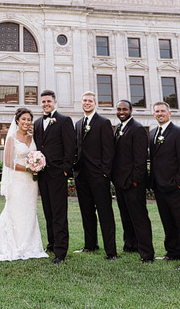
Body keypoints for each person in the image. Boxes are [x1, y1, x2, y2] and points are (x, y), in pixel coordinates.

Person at [0, 108, 48, 261]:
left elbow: (36, 154)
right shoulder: (12, 138)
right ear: (17, 120)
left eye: (28, 120)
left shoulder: (33, 137)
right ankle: (15, 244)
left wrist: (38, 164)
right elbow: (7, 162)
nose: (26, 122)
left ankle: (30, 245)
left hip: (31, 183)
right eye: (24, 119)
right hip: (18, 180)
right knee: (16, 212)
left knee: (29, 211)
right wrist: (29, 168)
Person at [149, 101, 180, 270]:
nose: (159, 113)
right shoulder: (153, 132)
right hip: (159, 186)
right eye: (157, 111)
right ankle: (173, 251)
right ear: (153, 114)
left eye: (162, 111)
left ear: (169, 113)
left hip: (176, 187)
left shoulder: (179, 133)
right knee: (167, 222)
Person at [33, 89, 76, 263]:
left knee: (59, 212)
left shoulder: (64, 120)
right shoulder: (37, 123)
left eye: (48, 101)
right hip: (43, 174)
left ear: (55, 102)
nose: (46, 104)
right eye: (43, 102)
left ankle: (60, 251)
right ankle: (51, 244)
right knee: (48, 211)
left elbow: (71, 146)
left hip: (58, 173)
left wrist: (66, 169)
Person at [73, 91, 117, 259]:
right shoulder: (77, 124)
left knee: (105, 212)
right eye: (84, 100)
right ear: (81, 102)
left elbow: (109, 150)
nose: (87, 103)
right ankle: (90, 244)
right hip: (81, 175)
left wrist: (105, 172)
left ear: (95, 103)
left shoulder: (103, 123)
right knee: (86, 211)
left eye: (90, 101)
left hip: (99, 176)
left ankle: (111, 251)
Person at [111, 99, 154, 263]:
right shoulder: (118, 128)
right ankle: (130, 245)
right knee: (126, 215)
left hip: (133, 183)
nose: (121, 112)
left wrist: (135, 180)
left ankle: (147, 253)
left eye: (124, 109)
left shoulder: (137, 129)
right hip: (120, 182)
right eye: (119, 109)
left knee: (139, 217)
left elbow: (140, 158)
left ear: (131, 111)